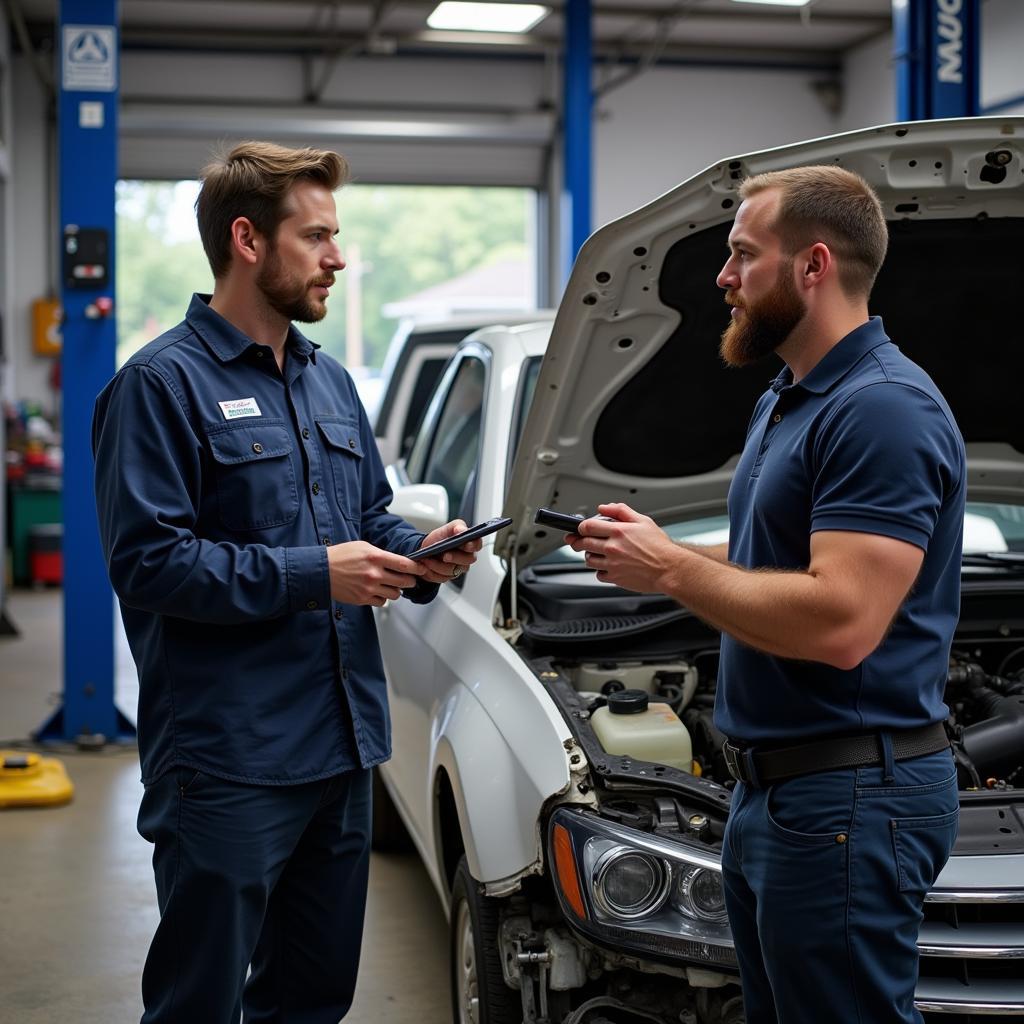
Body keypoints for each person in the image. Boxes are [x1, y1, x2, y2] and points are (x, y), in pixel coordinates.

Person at [92, 141, 481, 1024]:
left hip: (340, 746)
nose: (339, 258)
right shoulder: (158, 387)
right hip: (230, 758)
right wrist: (320, 574)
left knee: (312, 996)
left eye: (336, 237)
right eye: (317, 237)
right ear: (248, 241)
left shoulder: (330, 382)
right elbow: (149, 563)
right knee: (201, 998)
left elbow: (365, 515)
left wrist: (420, 552)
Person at [569, 166, 965, 1024]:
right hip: (777, 796)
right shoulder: (789, 399)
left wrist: (673, 573)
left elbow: (843, 621)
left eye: (742, 255)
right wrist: (661, 549)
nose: (722, 277)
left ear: (813, 266)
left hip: (850, 799)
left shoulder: (882, 411)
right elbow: (769, 555)